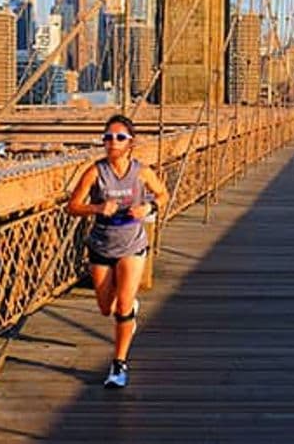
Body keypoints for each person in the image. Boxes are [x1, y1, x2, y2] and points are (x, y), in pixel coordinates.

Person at [67, 113, 169, 388]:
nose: (112, 142)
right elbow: (72, 206)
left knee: (122, 306)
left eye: (120, 137)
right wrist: (97, 208)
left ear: (131, 143)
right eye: (108, 137)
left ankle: (118, 364)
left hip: (132, 244)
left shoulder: (142, 172)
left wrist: (149, 207)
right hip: (101, 244)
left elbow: (162, 194)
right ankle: (128, 310)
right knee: (105, 307)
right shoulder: (95, 172)